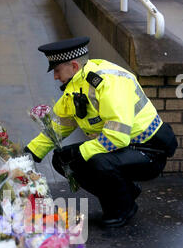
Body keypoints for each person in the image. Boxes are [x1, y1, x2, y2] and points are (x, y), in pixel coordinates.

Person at [24, 37, 178, 227]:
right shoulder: (75, 84)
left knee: (96, 161)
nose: (55, 76)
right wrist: (32, 152)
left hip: (150, 151)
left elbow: (117, 136)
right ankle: (125, 192)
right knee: (62, 161)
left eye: (56, 70)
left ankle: (123, 208)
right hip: (126, 148)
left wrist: (79, 152)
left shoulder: (109, 82)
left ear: (73, 65)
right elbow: (62, 124)